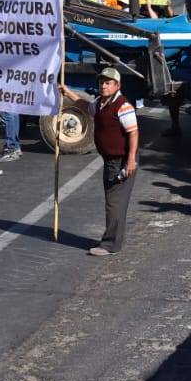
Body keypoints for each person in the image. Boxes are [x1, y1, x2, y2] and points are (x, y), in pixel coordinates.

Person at [60, 68, 139, 256]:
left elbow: (133, 133)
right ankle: (112, 242)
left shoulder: (123, 105)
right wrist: (68, 92)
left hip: (121, 161)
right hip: (111, 160)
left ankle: (110, 245)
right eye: (102, 82)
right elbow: (85, 106)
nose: (104, 85)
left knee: (115, 203)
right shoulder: (102, 103)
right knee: (113, 201)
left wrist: (130, 161)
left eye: (108, 82)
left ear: (117, 85)